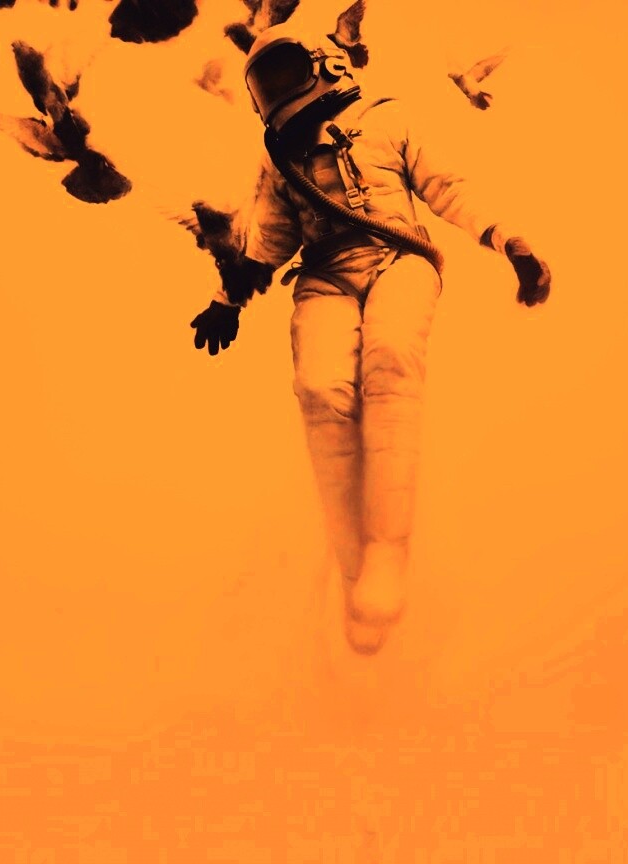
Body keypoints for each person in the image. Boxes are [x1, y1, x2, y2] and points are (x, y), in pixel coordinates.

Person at [189, 22, 552, 654]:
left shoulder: (388, 119)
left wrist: (507, 241)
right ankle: (354, 574)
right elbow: (271, 241)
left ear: (322, 65)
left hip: (399, 258)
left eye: (285, 74)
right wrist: (228, 300)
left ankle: (387, 554)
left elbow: (448, 188)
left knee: (390, 363)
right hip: (325, 276)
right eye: (266, 85)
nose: (279, 92)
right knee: (318, 390)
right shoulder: (279, 161)